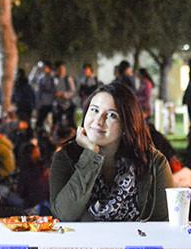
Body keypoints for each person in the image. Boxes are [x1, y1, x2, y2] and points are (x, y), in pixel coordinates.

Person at [49, 81, 173, 221]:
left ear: (127, 124)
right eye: (94, 110)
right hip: (83, 243)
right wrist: (91, 156)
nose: (98, 121)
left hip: (136, 242)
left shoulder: (154, 163)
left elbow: (163, 224)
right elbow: (63, 215)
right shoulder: (65, 158)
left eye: (111, 115)